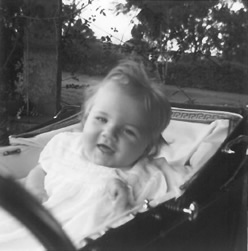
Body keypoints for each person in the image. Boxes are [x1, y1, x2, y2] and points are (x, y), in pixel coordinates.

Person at [0, 59, 172, 250]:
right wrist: (36, 190)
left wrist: (125, 204)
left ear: (147, 148)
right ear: (85, 118)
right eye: (101, 119)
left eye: (128, 131)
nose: (109, 133)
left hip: (71, 241)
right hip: (34, 222)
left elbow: (149, 217)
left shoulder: (141, 174)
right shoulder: (67, 146)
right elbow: (40, 171)